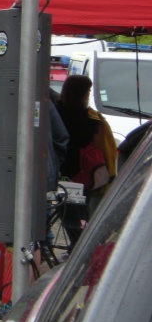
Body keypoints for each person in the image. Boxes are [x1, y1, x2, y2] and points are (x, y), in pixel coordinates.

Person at [56, 74, 117, 242]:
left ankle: (74, 244)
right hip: (82, 176)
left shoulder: (55, 111)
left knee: (64, 212)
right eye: (88, 91)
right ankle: (81, 247)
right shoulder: (92, 119)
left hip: (58, 171)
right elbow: (103, 148)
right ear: (83, 93)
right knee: (80, 214)